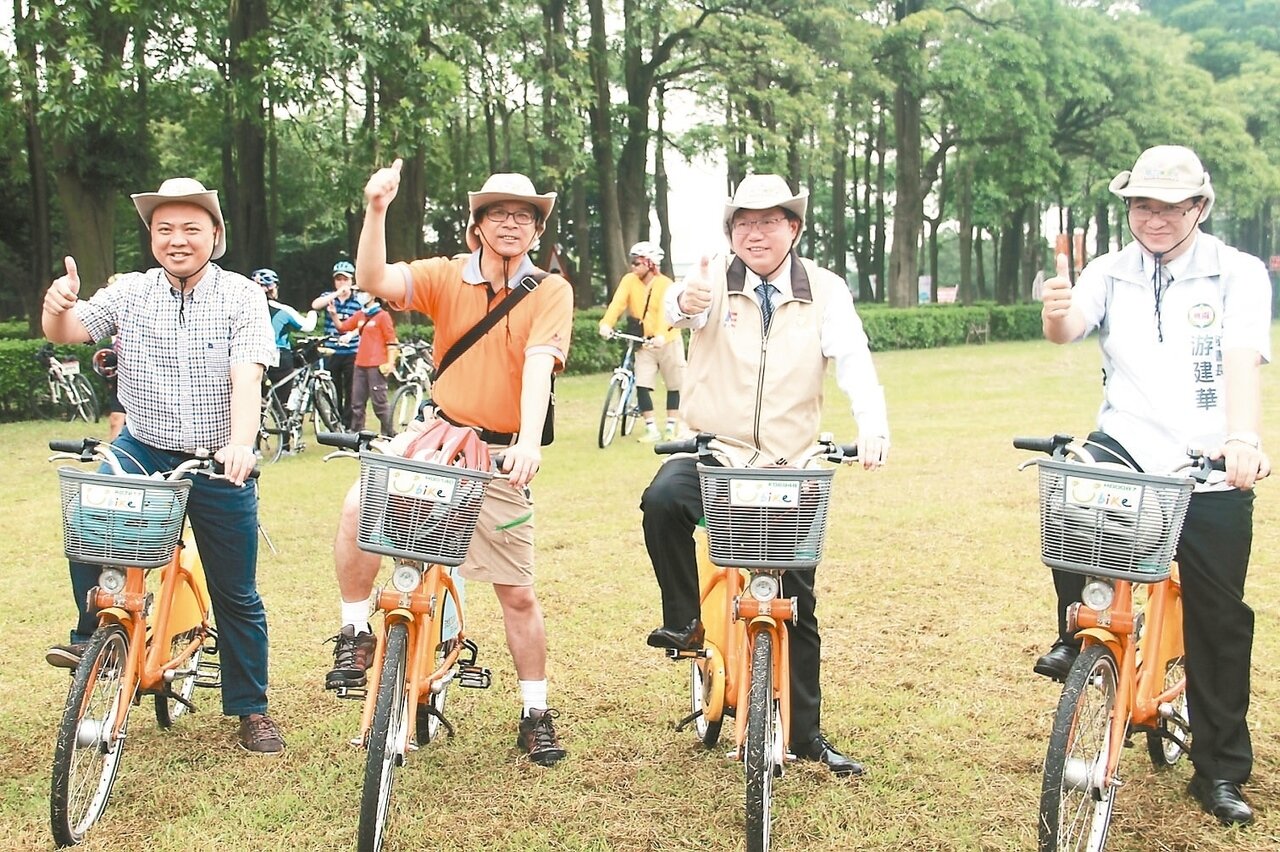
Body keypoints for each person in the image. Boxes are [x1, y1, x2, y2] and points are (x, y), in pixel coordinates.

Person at [1037, 144, 1270, 826]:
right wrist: (1055, 310)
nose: (1155, 219)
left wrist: (1242, 439)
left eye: (1171, 207)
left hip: (1207, 461)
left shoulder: (1237, 272)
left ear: (1200, 207)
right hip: (1129, 445)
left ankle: (1219, 770)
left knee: (1219, 621)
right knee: (1070, 492)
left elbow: (1241, 360)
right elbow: (1066, 330)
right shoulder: (1110, 270)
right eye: (1142, 205)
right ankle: (1077, 631)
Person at [640, 174, 890, 777]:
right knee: (663, 498)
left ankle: (805, 734)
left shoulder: (825, 290)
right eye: (744, 223)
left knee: (796, 598)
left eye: (770, 221)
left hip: (790, 463)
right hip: (719, 454)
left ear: (793, 228)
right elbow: (677, 311)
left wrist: (873, 425)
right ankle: (685, 621)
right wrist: (685, 301)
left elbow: (853, 359)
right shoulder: (712, 281)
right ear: (731, 232)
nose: (756, 233)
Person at [324, 162, 573, 766]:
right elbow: (375, 277)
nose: (511, 223)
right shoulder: (445, 275)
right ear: (477, 225)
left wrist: (528, 441)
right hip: (437, 432)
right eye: (498, 213)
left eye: (523, 215)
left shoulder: (551, 290)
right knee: (359, 506)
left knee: (517, 592)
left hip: (503, 449)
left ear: (537, 229)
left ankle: (535, 712)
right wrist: (376, 209)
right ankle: (355, 630)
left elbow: (539, 364)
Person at [41, 177, 284, 754]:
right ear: (151, 236)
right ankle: (91, 638)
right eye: (165, 228)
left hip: (215, 456)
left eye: (191, 229)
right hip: (142, 446)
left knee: (235, 592)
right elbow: (70, 332)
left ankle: (250, 707)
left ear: (215, 235)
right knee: (89, 521)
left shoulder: (242, 296)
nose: (178, 240)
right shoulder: (131, 291)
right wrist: (58, 309)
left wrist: (240, 444)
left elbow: (247, 375)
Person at [598, 240, 686, 441]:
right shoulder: (629, 281)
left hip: (668, 340)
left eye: (637, 263)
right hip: (644, 342)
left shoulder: (666, 284)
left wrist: (661, 334)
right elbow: (617, 303)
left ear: (650, 263)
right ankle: (651, 428)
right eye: (632, 262)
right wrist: (606, 323)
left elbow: (666, 313)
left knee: (674, 384)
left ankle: (671, 427)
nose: (633, 266)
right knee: (642, 383)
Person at [330, 290, 398, 434]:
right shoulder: (360, 315)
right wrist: (334, 315)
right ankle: (357, 432)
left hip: (377, 364)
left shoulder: (383, 316)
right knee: (357, 403)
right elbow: (342, 327)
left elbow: (391, 341)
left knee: (379, 403)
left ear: (373, 295)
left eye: (363, 291)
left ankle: (389, 433)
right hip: (360, 364)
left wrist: (390, 363)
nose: (359, 295)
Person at [255, 267, 317, 417]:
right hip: (279, 357)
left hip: (254, 356)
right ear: (273, 288)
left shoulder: (246, 308)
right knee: (283, 402)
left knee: (256, 399)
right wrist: (313, 313)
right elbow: (307, 326)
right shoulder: (283, 310)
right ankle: (285, 421)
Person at [311, 260, 361, 428]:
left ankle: (348, 421)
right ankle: (335, 418)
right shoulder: (329, 297)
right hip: (332, 350)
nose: (342, 283)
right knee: (333, 387)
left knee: (351, 388)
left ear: (352, 280)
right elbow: (315, 305)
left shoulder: (358, 299)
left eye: (345, 279)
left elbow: (365, 321)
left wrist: (351, 334)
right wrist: (337, 293)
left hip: (352, 349)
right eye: (339, 279)